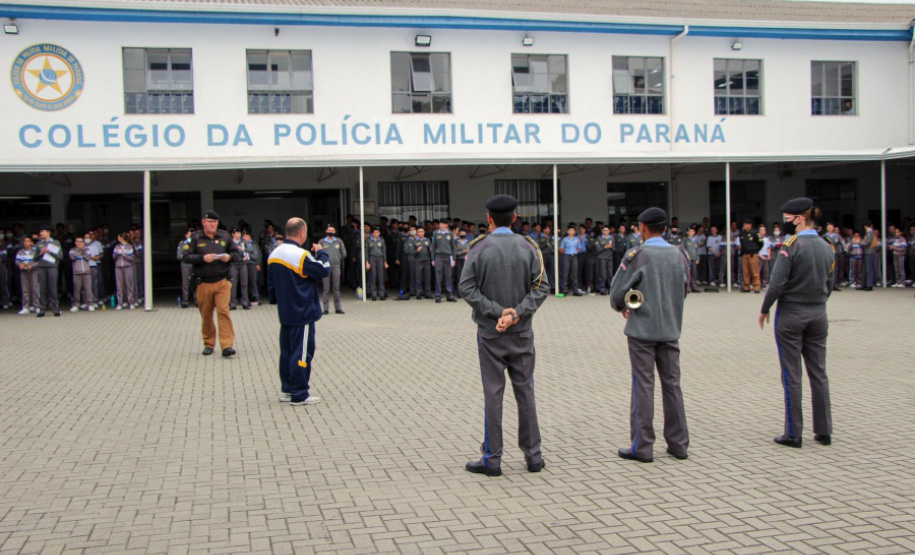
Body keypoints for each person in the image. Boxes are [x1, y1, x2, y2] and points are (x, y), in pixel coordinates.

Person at [459, 194, 549, 476]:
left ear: (488, 219)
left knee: (493, 395)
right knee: (526, 393)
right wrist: (515, 314)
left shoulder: (478, 248)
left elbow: (467, 288)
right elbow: (542, 287)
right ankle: (533, 457)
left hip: (490, 334)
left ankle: (492, 459)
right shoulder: (529, 247)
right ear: (515, 218)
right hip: (521, 333)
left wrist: (498, 313)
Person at [609, 207, 691, 463]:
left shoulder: (638, 254)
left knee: (643, 386)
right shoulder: (680, 255)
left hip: (643, 331)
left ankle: (642, 447)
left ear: (643, 228)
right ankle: (678, 445)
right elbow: (685, 289)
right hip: (670, 329)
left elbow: (616, 293)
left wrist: (624, 305)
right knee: (672, 385)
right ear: (665, 228)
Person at [759, 198, 835, 448]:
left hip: (791, 315)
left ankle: (793, 433)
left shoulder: (791, 246)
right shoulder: (827, 247)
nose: (785, 224)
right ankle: (824, 431)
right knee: (819, 374)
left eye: (788, 219)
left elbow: (777, 283)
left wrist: (765, 307)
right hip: (818, 314)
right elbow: (830, 284)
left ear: (799, 219)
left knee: (792, 375)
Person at [267, 217, 331, 406]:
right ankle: (300, 393)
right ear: (302, 233)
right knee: (302, 353)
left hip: (286, 312)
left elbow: (271, 289)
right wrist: (322, 253)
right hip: (302, 312)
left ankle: (287, 389)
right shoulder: (300, 255)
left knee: (286, 352)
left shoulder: (274, 254)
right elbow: (323, 270)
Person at [182, 211, 242, 357]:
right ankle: (209, 344)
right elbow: (186, 257)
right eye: (209, 222)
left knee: (223, 312)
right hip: (203, 283)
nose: (212, 224)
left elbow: (237, 254)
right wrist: (202, 258)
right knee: (206, 315)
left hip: (222, 281)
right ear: (204, 222)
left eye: (215, 222)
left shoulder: (225, 236)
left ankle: (227, 345)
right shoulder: (195, 238)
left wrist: (228, 257)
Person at [34, 225, 62, 317]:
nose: (41, 233)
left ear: (48, 232)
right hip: (41, 267)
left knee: (52, 288)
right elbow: (35, 258)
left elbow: (60, 257)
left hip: (52, 267)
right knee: (42, 289)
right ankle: (42, 309)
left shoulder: (56, 243)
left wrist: (50, 252)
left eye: (43, 231)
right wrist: (41, 253)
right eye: (40, 232)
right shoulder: (39, 244)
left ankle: (56, 308)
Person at [320, 224, 347, 314]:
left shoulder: (338, 241)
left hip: (336, 266)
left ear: (335, 232)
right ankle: (325, 309)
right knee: (326, 288)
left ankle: (338, 308)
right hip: (325, 267)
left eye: (332, 230)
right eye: (329, 230)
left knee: (336, 288)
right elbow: (318, 254)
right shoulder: (322, 242)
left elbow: (344, 253)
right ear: (326, 231)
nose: (331, 231)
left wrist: (337, 258)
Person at [431, 221, 457, 303]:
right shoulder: (435, 233)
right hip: (438, 257)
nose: (441, 225)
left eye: (443, 224)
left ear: (446, 225)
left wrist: (454, 259)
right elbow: (433, 247)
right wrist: (432, 259)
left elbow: (453, 247)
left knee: (448, 277)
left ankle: (449, 295)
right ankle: (438, 296)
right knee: (438, 277)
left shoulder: (450, 234)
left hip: (448, 257)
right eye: (440, 224)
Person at [69, 236, 95, 312]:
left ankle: (89, 304)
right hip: (77, 273)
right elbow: (72, 257)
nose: (79, 243)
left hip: (86, 272)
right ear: (75, 242)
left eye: (81, 242)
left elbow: (88, 257)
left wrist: (83, 251)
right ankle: (76, 304)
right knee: (77, 290)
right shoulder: (72, 250)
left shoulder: (87, 250)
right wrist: (79, 251)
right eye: (77, 242)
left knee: (88, 289)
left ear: (83, 243)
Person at [112, 232, 137, 310]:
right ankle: (120, 303)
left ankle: (131, 302)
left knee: (129, 285)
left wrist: (125, 256)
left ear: (122, 238)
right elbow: (114, 258)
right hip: (118, 267)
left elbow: (132, 258)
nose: (118, 239)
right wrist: (116, 254)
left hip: (128, 267)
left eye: (119, 237)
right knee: (119, 285)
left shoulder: (129, 247)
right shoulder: (117, 247)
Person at [16, 236, 39, 315]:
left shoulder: (35, 251)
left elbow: (38, 261)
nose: (26, 243)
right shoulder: (20, 252)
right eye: (25, 241)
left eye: (28, 241)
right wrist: (20, 265)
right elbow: (17, 261)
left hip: (33, 272)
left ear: (31, 242)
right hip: (24, 272)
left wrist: (32, 266)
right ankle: (26, 307)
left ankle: (36, 306)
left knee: (35, 289)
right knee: (25, 290)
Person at [739, 218, 763, 293]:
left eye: (746, 224)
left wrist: (756, 250)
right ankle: (747, 287)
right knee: (745, 271)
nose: (744, 226)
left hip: (753, 254)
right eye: (744, 224)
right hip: (744, 254)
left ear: (750, 225)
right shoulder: (742, 233)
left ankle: (757, 287)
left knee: (754, 271)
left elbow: (760, 243)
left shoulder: (755, 232)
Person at [558, 226, 583, 296]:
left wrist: (574, 251)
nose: (571, 232)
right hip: (567, 257)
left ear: (574, 232)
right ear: (567, 232)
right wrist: (567, 252)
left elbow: (579, 248)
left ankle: (575, 290)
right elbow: (561, 249)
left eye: (572, 230)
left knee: (574, 274)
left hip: (574, 257)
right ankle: (564, 289)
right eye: (570, 230)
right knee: (565, 274)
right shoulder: (565, 240)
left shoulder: (577, 239)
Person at [365, 227, 388, 301]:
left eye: (378, 232)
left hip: (380, 258)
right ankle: (373, 294)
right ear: (372, 233)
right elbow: (367, 252)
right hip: (372, 258)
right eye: (375, 232)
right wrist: (367, 262)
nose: (377, 234)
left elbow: (384, 251)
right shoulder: (369, 240)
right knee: (373, 276)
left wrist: (385, 261)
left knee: (381, 276)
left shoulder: (381, 240)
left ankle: (382, 294)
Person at [412, 227, 433, 299]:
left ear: (424, 232)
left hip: (426, 261)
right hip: (418, 261)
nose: (420, 233)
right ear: (417, 233)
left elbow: (431, 249)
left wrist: (431, 250)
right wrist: (417, 251)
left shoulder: (427, 240)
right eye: (419, 232)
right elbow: (412, 253)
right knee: (418, 278)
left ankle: (428, 293)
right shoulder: (414, 241)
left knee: (427, 277)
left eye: (422, 231)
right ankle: (418, 293)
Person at [243, 230, 262, 306]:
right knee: (245, 282)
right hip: (243, 264)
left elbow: (256, 256)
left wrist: (247, 256)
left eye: (247, 236)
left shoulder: (253, 245)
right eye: (244, 236)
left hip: (252, 264)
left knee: (253, 281)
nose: (245, 237)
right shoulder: (241, 245)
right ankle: (246, 299)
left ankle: (255, 297)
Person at [177, 228, 195, 308]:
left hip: (194, 265)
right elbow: (178, 255)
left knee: (195, 283)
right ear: (186, 235)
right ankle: (185, 301)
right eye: (189, 235)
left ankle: (197, 300)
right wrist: (186, 257)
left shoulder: (196, 244)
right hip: (185, 265)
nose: (190, 236)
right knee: (185, 283)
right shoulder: (182, 244)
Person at [596, 225, 614, 295]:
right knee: (603, 274)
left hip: (610, 258)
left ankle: (611, 289)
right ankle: (602, 289)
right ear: (602, 231)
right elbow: (598, 249)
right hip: (602, 258)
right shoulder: (599, 238)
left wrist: (611, 247)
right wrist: (605, 247)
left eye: (607, 230)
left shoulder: (612, 238)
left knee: (610, 274)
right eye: (604, 230)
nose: (605, 232)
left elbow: (614, 249)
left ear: (609, 231)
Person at [859, 221, 876, 291]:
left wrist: (859, 243)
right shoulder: (869, 232)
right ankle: (864, 284)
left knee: (868, 269)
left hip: (869, 252)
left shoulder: (870, 232)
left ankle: (869, 285)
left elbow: (867, 243)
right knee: (865, 269)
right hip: (866, 252)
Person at [454, 230, 471, 299]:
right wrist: (463, 252)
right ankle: (459, 293)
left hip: (466, 261)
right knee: (458, 277)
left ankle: (467, 293)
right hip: (458, 261)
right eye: (461, 233)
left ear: (466, 234)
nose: (462, 234)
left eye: (464, 233)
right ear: (459, 234)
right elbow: (454, 252)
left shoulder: (469, 242)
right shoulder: (456, 242)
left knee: (467, 277)